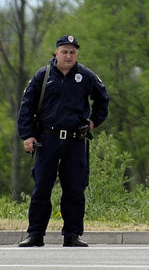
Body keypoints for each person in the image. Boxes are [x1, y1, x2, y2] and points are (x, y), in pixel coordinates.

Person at [16, 35, 109, 247]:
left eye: (73, 52)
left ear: (77, 54)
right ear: (56, 53)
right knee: (41, 188)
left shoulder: (85, 76)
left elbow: (103, 100)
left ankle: (72, 235)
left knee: (74, 189)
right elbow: (27, 106)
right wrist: (27, 135)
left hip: (75, 141)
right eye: (64, 52)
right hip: (46, 140)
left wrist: (93, 122)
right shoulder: (43, 75)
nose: (68, 56)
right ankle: (35, 235)